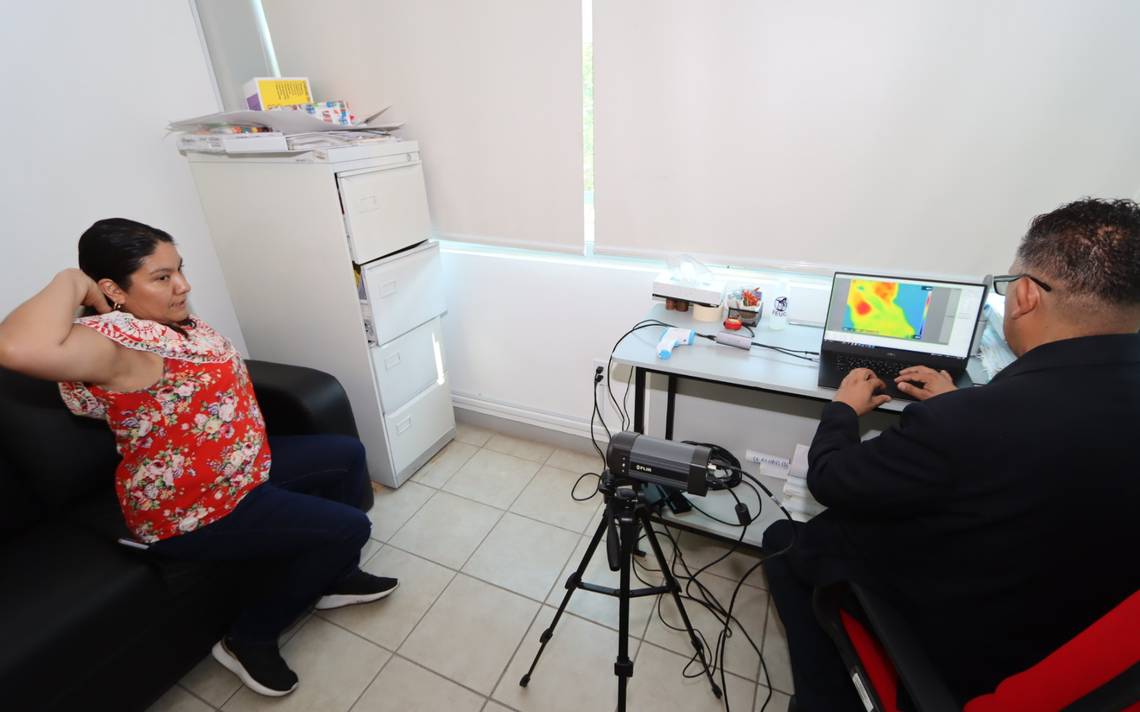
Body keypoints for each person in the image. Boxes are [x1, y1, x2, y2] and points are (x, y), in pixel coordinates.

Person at [761, 198, 1140, 710]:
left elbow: (830, 478)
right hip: (1066, 623)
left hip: (954, 639)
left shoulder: (970, 423)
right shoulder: (987, 414)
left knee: (789, 541)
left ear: (1027, 295)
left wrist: (844, 411)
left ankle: (826, 698)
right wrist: (959, 403)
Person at [0, 218, 399, 698]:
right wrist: (71, 280)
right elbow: (15, 347)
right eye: (162, 277)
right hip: (193, 509)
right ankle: (247, 639)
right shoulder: (117, 347)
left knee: (347, 455)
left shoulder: (171, 324)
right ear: (114, 290)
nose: (183, 285)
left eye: (179, 269)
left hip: (244, 470)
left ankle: (334, 577)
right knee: (351, 527)